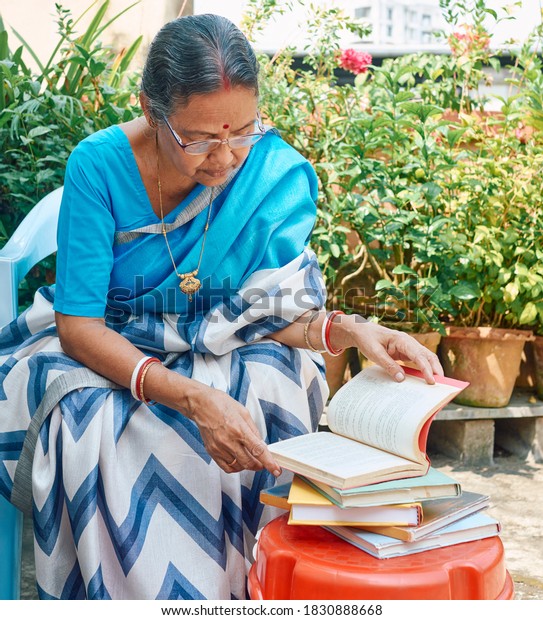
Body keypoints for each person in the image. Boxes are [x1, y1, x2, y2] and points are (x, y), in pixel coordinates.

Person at [0, 14, 443, 600]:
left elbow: (261, 311)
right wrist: (189, 396)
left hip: (216, 334)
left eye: (243, 132)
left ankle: (260, 587)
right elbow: (79, 327)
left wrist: (351, 329)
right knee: (88, 420)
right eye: (202, 138)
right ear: (151, 110)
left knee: (274, 382)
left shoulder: (263, 170)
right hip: (110, 336)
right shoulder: (98, 166)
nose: (227, 158)